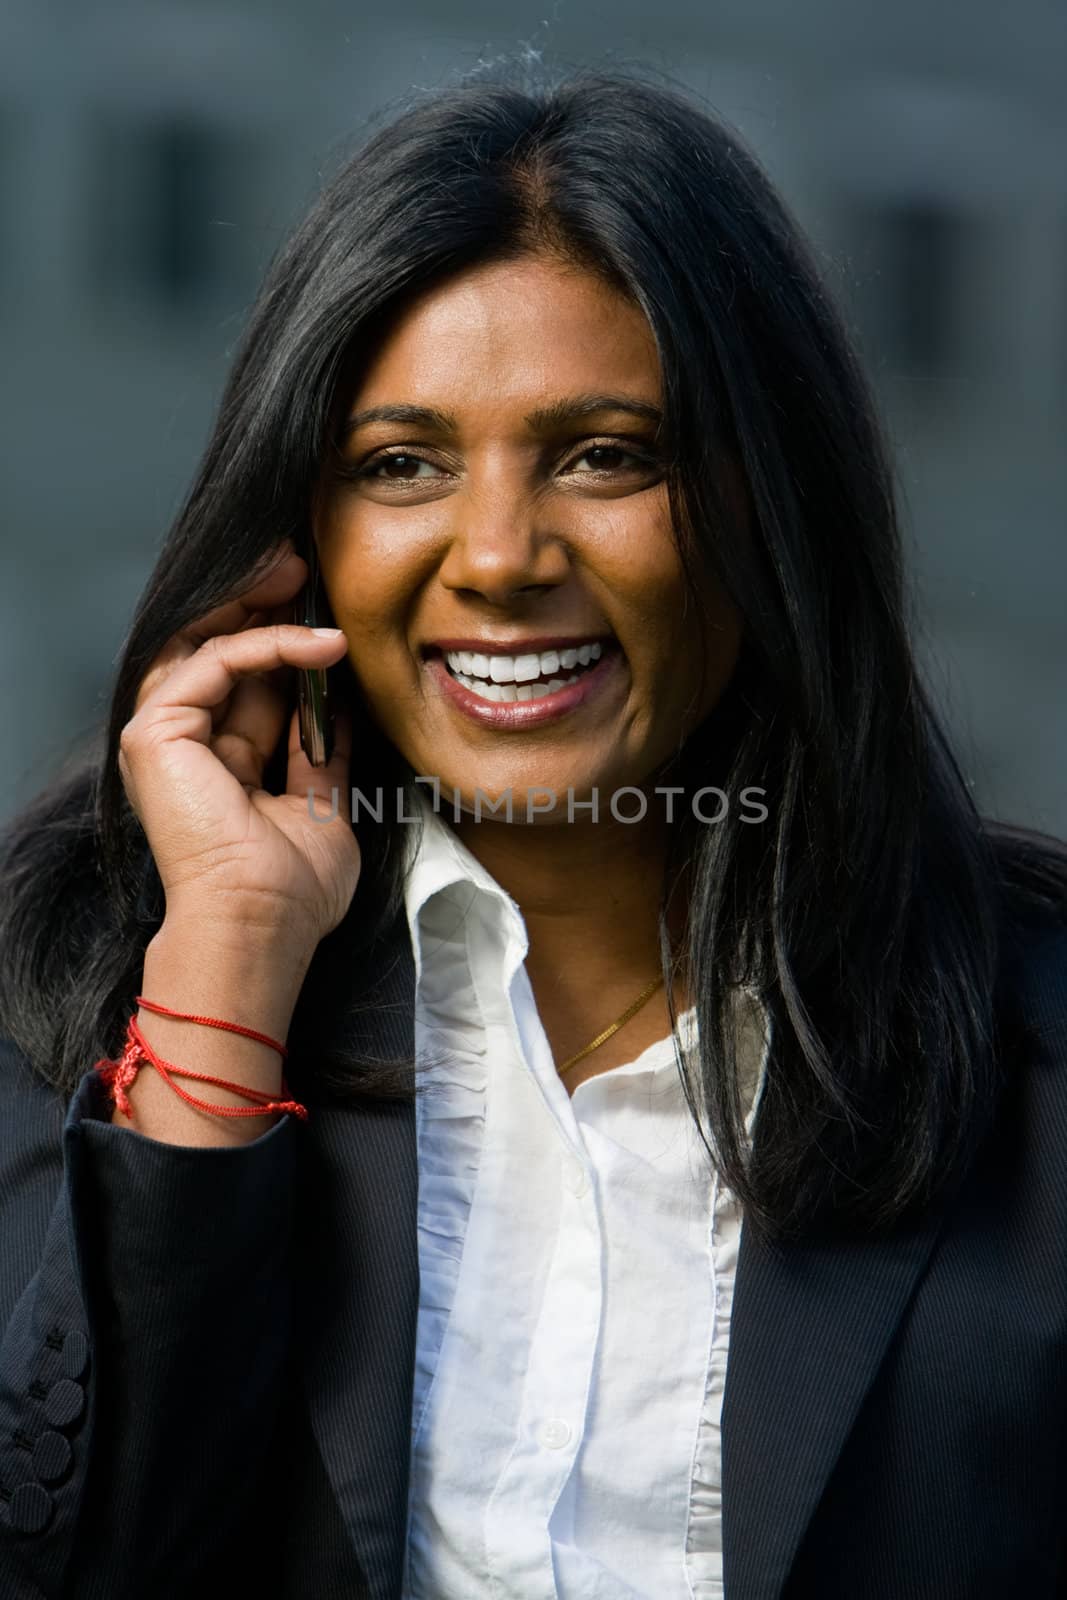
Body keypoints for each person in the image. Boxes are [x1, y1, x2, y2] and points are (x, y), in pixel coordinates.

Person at [0, 64, 1065, 1600]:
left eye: (605, 454)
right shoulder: (82, 991)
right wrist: (225, 972)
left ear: (767, 501)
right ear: (303, 536)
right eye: (402, 465)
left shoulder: (1035, 1060)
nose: (498, 557)